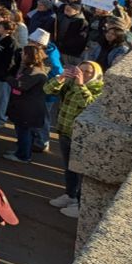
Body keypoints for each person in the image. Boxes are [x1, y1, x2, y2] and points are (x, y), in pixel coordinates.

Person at [44, 61, 105, 218]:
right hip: (65, 131)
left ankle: (80, 204)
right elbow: (47, 90)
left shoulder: (99, 89)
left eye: (88, 72)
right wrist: (61, 78)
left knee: (80, 171)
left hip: (82, 137)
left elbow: (87, 105)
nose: (83, 74)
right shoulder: (70, 84)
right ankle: (70, 195)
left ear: (96, 75)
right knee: (69, 168)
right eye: (81, 70)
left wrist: (80, 85)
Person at [3, 44, 49, 164]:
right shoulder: (30, 68)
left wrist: (9, 79)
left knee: (24, 133)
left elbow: (21, 85)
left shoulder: (34, 72)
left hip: (28, 109)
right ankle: (20, 152)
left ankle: (24, 156)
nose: (21, 55)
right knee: (22, 132)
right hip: (24, 107)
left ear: (29, 56)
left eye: (24, 53)